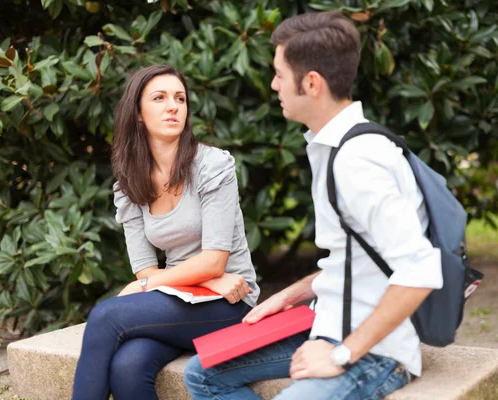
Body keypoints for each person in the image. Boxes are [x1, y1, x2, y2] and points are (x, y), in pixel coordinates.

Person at [183, 11, 443, 400]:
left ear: (312, 83)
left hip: (373, 352)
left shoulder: (358, 160)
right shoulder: (334, 146)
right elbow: (356, 258)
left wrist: (341, 353)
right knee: (202, 373)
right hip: (324, 322)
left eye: (279, 75)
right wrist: (295, 294)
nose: (273, 85)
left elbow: (420, 270)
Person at [72, 65, 260, 400]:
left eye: (180, 98)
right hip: (183, 297)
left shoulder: (212, 166)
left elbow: (215, 260)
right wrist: (197, 278)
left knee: (105, 316)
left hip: (231, 301)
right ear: (139, 114)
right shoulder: (129, 184)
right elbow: (145, 269)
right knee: (128, 367)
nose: (173, 106)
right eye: (159, 98)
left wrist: (150, 284)